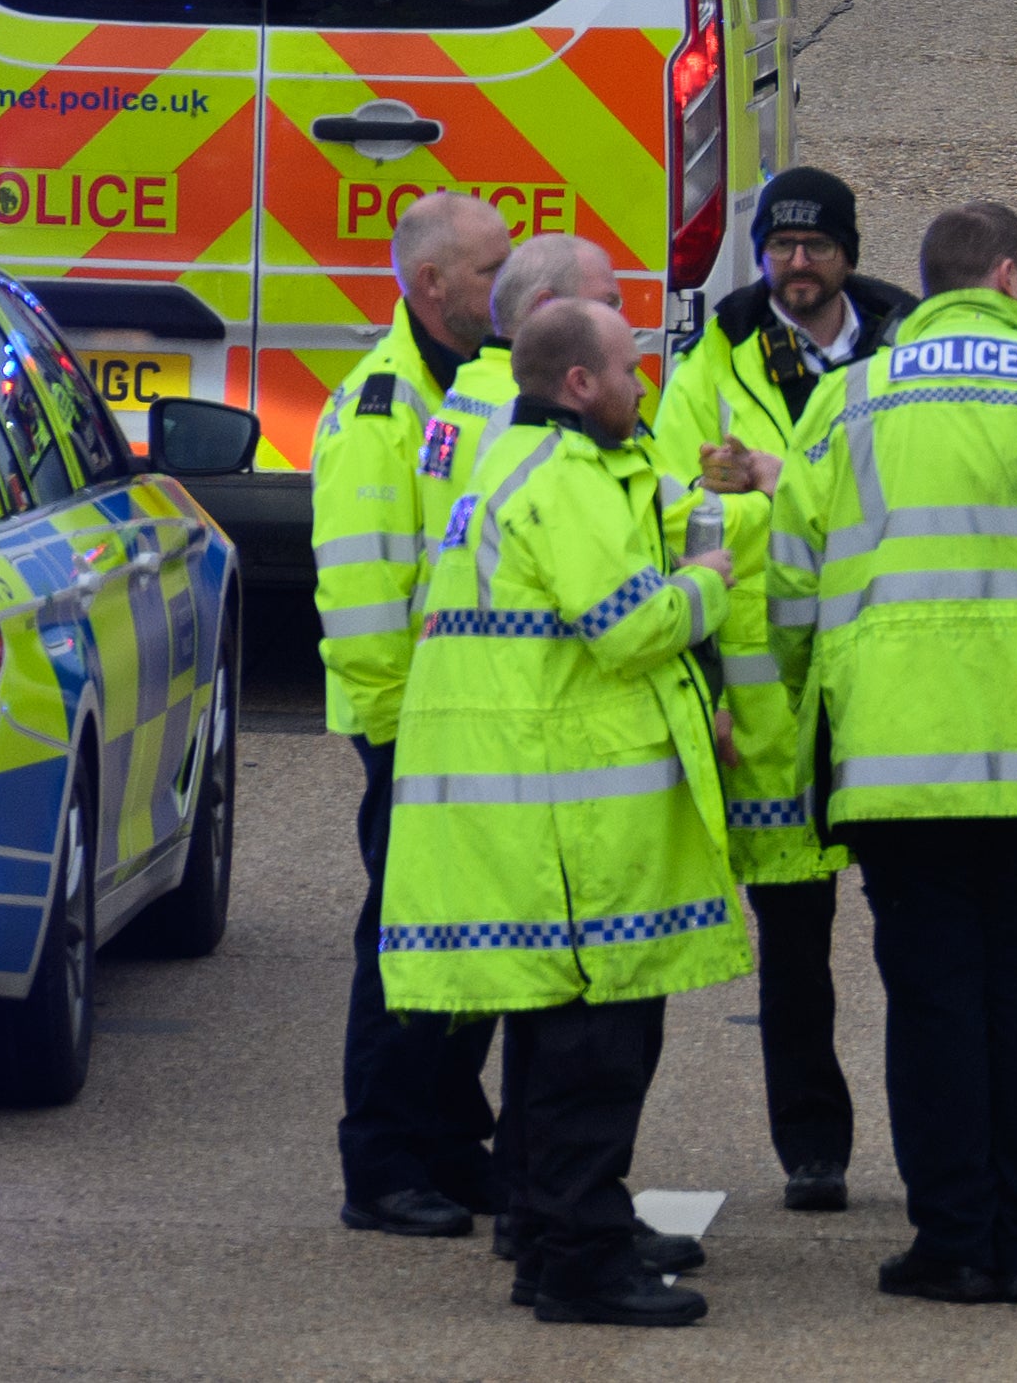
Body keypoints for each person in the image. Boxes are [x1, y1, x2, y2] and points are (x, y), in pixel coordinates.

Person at [771, 202, 1017, 1306]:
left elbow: (790, 586)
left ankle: (951, 1237)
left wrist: (822, 710)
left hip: (899, 764)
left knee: (933, 1001)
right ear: (1007, 276)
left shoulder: (847, 399)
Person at [379, 297, 743, 1329]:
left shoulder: (510, 464)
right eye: (631, 368)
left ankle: (555, 1235)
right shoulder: (567, 481)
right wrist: (709, 583)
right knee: (595, 1050)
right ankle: (581, 1254)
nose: (645, 385)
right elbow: (631, 628)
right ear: (579, 383)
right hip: (571, 823)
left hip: (538, 812)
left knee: (554, 1038)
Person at [650, 167, 913, 1216]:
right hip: (764, 717)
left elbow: (923, 513)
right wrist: (796, 502)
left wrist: (768, 484)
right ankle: (815, 1148)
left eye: (814, 246)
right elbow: (675, 517)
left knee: (917, 947)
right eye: (779, 247)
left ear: (848, 251)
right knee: (793, 958)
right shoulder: (707, 370)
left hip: (887, 704)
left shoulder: (904, 357)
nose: (795, 264)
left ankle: (934, 1141)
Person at [317, 190, 515, 1241]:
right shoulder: (384, 406)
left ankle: (446, 1140)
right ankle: (382, 1157)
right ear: (430, 285)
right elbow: (360, 592)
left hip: (459, 719)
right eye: (490, 269)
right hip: (409, 725)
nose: (509, 280)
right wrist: (397, 735)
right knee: (403, 942)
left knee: (466, 936)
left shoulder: (474, 386)